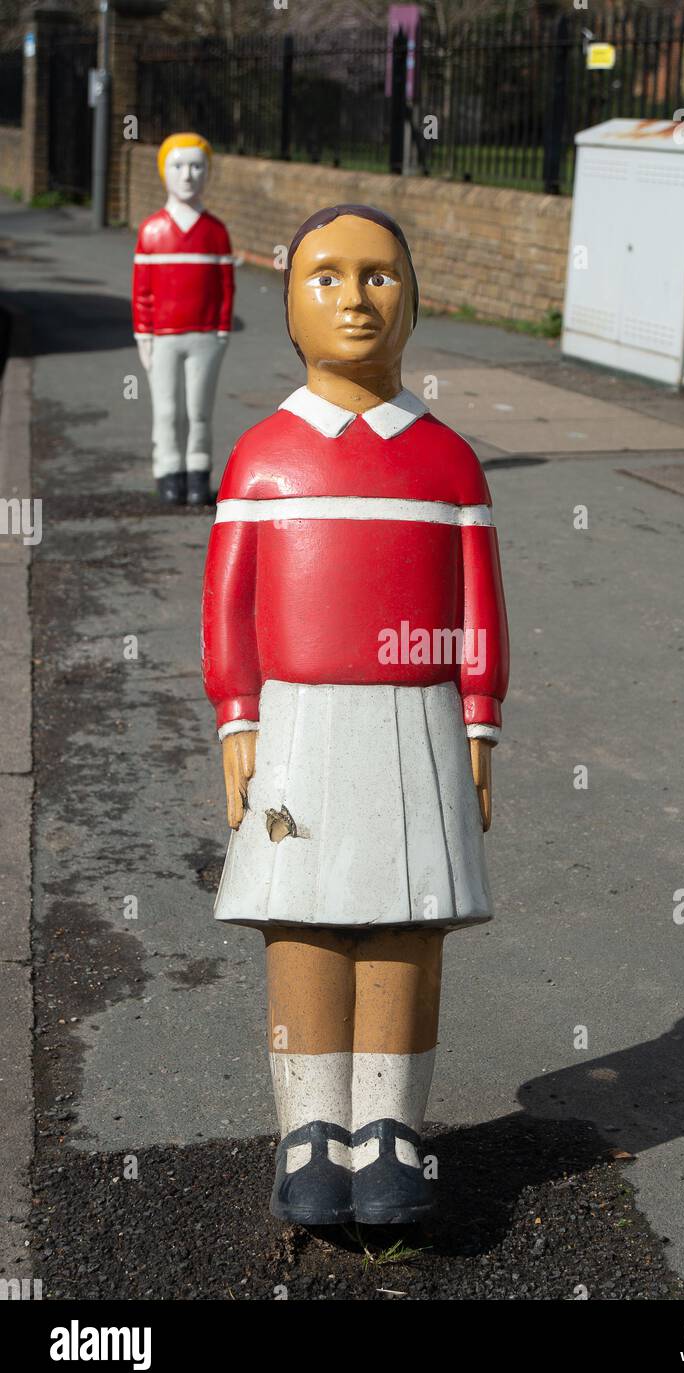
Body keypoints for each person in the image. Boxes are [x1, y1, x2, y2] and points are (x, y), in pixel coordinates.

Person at [201, 204, 509, 1224]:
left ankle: (389, 1130)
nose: (355, 298)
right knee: (302, 922)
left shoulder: (447, 463)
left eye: (379, 275)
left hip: (418, 723)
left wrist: (478, 724)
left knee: (404, 923)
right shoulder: (262, 461)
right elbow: (230, 603)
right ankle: (309, 1128)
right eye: (326, 275)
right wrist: (236, 715)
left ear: (414, 298)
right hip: (296, 722)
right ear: (288, 304)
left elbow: (477, 606)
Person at [131, 132, 234, 505]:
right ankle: (168, 470)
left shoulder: (216, 233)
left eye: (196, 166)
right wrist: (144, 336)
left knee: (199, 410)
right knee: (168, 409)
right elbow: (142, 291)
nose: (187, 175)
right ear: (164, 171)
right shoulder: (151, 231)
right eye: (177, 166)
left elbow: (225, 289)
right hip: (163, 338)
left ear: (207, 172)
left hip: (205, 337)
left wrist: (222, 333)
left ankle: (198, 471)